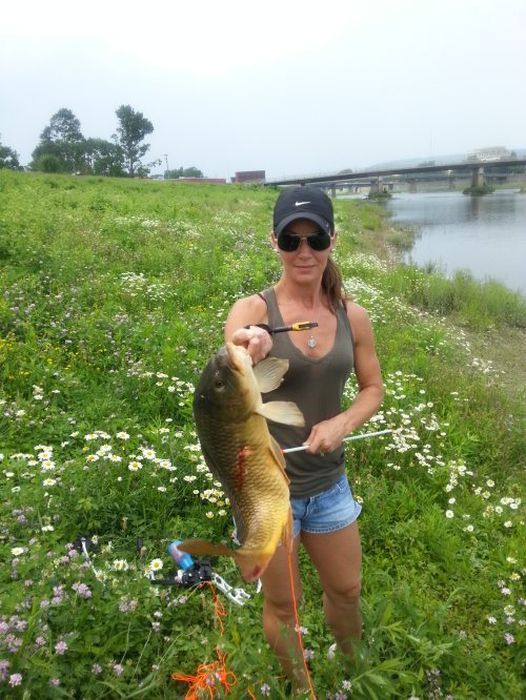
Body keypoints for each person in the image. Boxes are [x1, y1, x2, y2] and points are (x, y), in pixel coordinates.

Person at [224, 186, 384, 690]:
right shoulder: (252, 308)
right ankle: (302, 685)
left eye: (314, 237)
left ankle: (353, 675)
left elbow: (372, 389)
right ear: (274, 243)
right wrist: (252, 346)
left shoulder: (352, 316)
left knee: (347, 590)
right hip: (267, 496)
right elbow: (229, 368)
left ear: (332, 239)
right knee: (282, 604)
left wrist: (342, 423)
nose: (304, 251)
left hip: (329, 487)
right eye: (291, 241)